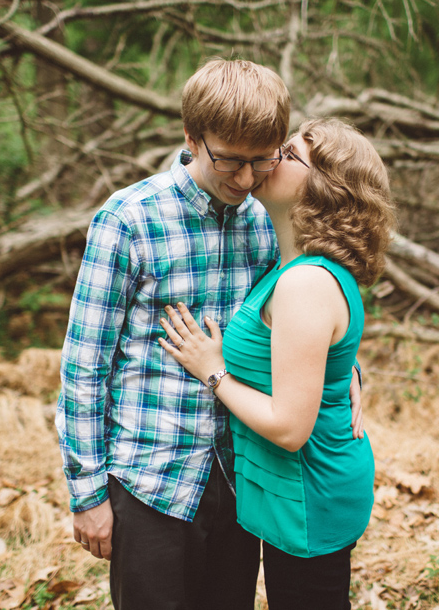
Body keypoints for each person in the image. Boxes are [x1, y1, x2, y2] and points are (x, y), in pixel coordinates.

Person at [56, 60, 363, 610]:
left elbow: (300, 319)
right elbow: (85, 366)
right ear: (192, 138)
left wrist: (348, 371)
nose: (245, 179)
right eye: (228, 160)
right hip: (152, 481)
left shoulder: (266, 220)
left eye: (262, 160)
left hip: (240, 483)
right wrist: (87, 494)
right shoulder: (129, 220)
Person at [160, 117, 396, 610]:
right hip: (295, 486)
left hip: (309, 491)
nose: (269, 159)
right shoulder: (287, 266)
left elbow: (290, 428)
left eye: (288, 154)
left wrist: (212, 370)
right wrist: (345, 374)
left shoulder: (305, 282)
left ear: (325, 188)